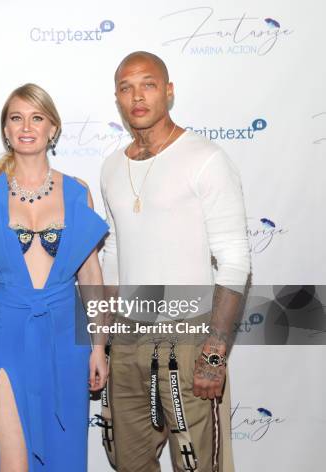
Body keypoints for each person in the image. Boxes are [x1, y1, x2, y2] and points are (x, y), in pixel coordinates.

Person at [101, 52, 250, 472]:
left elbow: (235, 259)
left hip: (188, 335)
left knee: (199, 463)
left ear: (169, 91)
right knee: (128, 461)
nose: (137, 96)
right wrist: (103, 339)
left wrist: (215, 354)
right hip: (127, 337)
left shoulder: (205, 158)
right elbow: (113, 256)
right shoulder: (111, 168)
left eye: (147, 84)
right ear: (117, 98)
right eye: (126, 88)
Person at [0, 83, 109, 471]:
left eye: (37, 117)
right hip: (5, 334)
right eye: (16, 117)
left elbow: (91, 277)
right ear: (5, 130)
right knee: (12, 461)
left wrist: (98, 346)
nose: (27, 126)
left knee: (62, 456)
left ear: (52, 129)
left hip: (65, 338)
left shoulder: (78, 193)